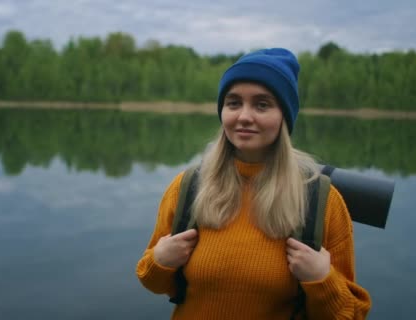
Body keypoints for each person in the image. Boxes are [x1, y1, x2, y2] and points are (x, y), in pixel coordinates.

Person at [135, 48, 371, 319]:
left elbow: (351, 314)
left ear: (284, 115)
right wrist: (160, 261)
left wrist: (321, 279)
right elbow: (152, 282)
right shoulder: (188, 187)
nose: (244, 116)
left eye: (262, 104)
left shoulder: (321, 200)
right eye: (233, 103)